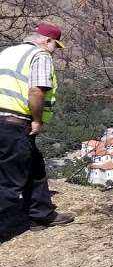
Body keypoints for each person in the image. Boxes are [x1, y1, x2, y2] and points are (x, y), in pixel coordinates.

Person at [0, 21, 75, 232]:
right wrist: (36, 119)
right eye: (55, 46)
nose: (55, 51)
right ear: (47, 41)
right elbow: (36, 91)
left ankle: (41, 215)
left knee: (34, 166)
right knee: (9, 182)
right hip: (15, 122)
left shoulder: (8, 53)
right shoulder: (40, 55)